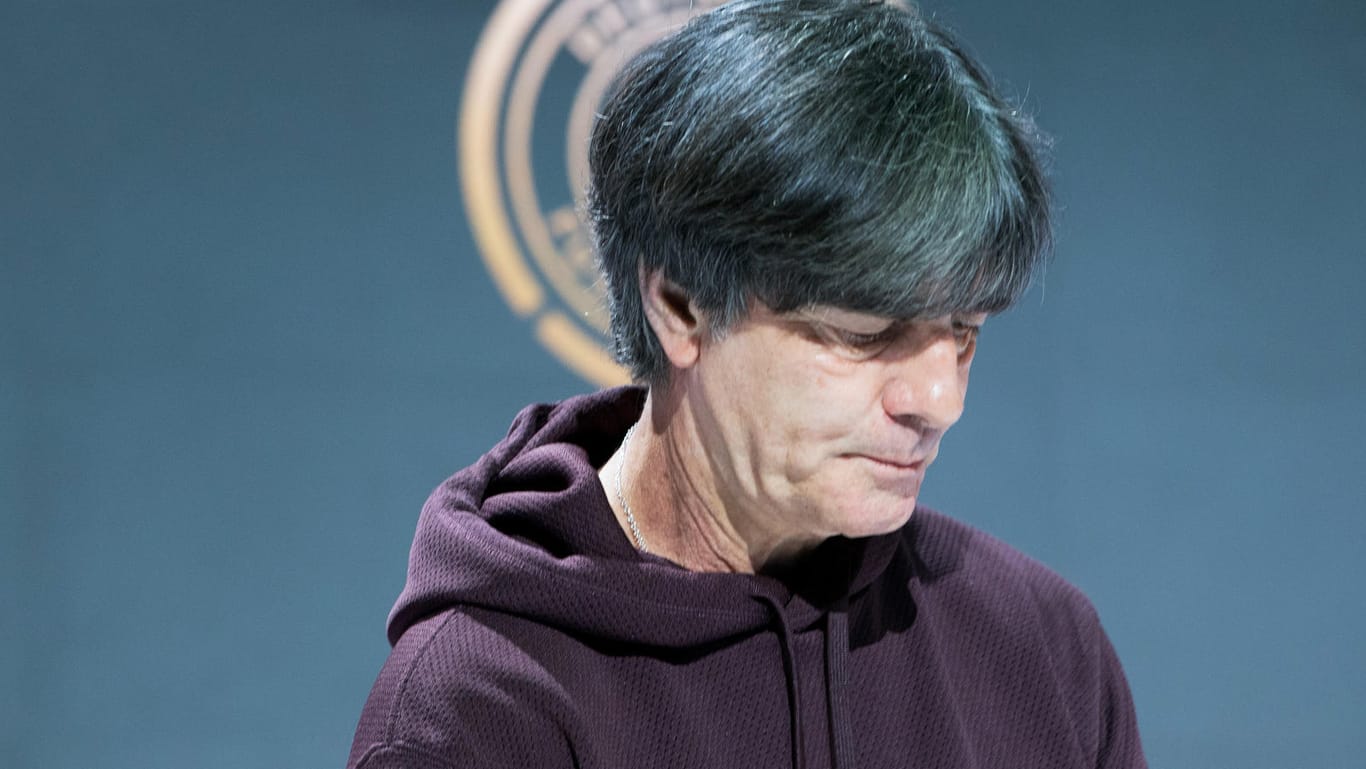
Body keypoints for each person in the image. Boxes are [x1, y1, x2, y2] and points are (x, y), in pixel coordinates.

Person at [347, 1, 1147, 767]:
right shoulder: (472, 714)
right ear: (681, 306)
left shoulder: (1046, 651)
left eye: (964, 333)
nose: (940, 401)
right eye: (864, 334)